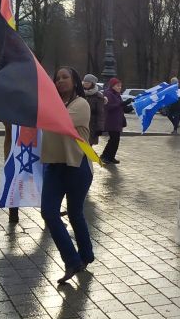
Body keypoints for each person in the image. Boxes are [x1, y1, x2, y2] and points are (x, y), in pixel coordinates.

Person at [41, 66, 94, 284]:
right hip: (55, 166)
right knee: (49, 212)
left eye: (65, 77)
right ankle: (73, 260)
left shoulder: (81, 104)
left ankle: (85, 256)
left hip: (77, 166)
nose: (60, 81)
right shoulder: (55, 104)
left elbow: (58, 123)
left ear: (75, 81)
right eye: (57, 78)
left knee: (75, 213)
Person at [101, 78, 126, 164]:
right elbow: (108, 107)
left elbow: (121, 107)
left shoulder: (117, 95)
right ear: (112, 86)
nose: (119, 87)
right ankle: (105, 156)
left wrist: (128, 106)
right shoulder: (108, 93)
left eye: (120, 86)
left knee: (115, 140)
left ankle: (111, 157)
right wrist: (121, 104)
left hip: (117, 121)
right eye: (117, 86)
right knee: (114, 139)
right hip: (111, 121)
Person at [82, 74, 106, 148]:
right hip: (80, 124)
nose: (86, 83)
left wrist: (100, 128)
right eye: (85, 82)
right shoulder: (79, 93)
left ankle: (88, 156)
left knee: (87, 147)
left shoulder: (98, 96)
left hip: (92, 125)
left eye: (88, 82)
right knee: (79, 146)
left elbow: (100, 113)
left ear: (92, 84)